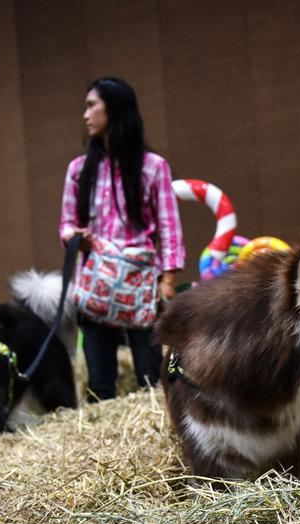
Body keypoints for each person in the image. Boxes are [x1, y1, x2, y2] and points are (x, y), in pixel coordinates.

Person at [60, 77, 184, 400]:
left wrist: (167, 279)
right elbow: (67, 226)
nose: (85, 115)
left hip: (141, 286)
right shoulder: (78, 170)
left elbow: (169, 227)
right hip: (96, 286)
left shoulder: (153, 168)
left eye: (92, 106)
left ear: (113, 109)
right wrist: (78, 238)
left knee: (151, 378)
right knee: (100, 384)